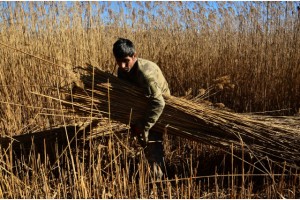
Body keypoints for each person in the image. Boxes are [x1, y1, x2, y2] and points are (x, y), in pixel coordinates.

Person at [113, 38, 170, 181]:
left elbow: (159, 103)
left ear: (134, 56)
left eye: (126, 60)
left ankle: (158, 182)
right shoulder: (122, 71)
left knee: (152, 145)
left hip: (159, 110)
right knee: (146, 146)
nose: (123, 65)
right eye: (119, 61)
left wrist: (144, 125)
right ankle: (155, 171)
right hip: (142, 106)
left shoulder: (145, 73)